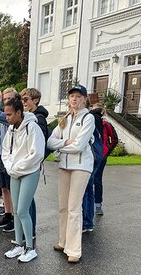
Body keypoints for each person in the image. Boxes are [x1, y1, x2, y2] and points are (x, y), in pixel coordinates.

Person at [47, 85, 95, 263]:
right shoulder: (65, 118)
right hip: (65, 166)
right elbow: (51, 141)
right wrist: (65, 142)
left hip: (81, 166)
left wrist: (61, 147)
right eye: (72, 96)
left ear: (84, 99)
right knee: (63, 206)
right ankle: (63, 241)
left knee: (74, 207)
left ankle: (74, 249)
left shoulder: (88, 118)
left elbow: (80, 146)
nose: (74, 99)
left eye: (78, 96)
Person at [2, 96, 45, 263]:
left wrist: (17, 167)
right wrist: (10, 167)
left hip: (29, 172)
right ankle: (18, 244)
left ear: (19, 112)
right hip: (14, 173)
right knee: (15, 212)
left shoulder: (33, 127)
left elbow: (38, 154)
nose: (7, 118)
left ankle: (29, 247)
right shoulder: (11, 129)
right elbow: (5, 150)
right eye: (6, 115)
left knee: (22, 210)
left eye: (10, 114)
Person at [20, 87, 50, 237]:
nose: (23, 102)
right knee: (27, 199)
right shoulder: (28, 116)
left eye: (26, 99)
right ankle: (28, 231)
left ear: (36, 100)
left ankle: (30, 232)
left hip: (31, 164)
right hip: (25, 163)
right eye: (22, 99)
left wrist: (33, 160)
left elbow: (41, 142)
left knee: (27, 199)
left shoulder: (39, 118)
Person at [0, 87, 17, 232]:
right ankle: (7, 215)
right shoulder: (4, 116)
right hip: (0, 156)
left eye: (9, 98)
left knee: (11, 189)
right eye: (5, 98)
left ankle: (13, 217)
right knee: (4, 188)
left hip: (9, 159)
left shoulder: (9, 116)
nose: (6, 101)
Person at [81, 100, 104, 232]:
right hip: (96, 155)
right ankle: (88, 222)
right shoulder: (97, 118)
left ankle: (86, 221)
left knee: (85, 189)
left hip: (91, 156)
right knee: (89, 189)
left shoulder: (90, 118)